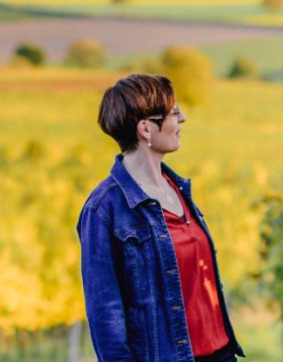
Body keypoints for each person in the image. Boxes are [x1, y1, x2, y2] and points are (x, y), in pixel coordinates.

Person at [78, 74, 243, 362]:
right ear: (146, 128)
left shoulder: (179, 190)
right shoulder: (103, 210)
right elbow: (106, 316)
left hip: (220, 355)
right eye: (174, 113)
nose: (183, 119)